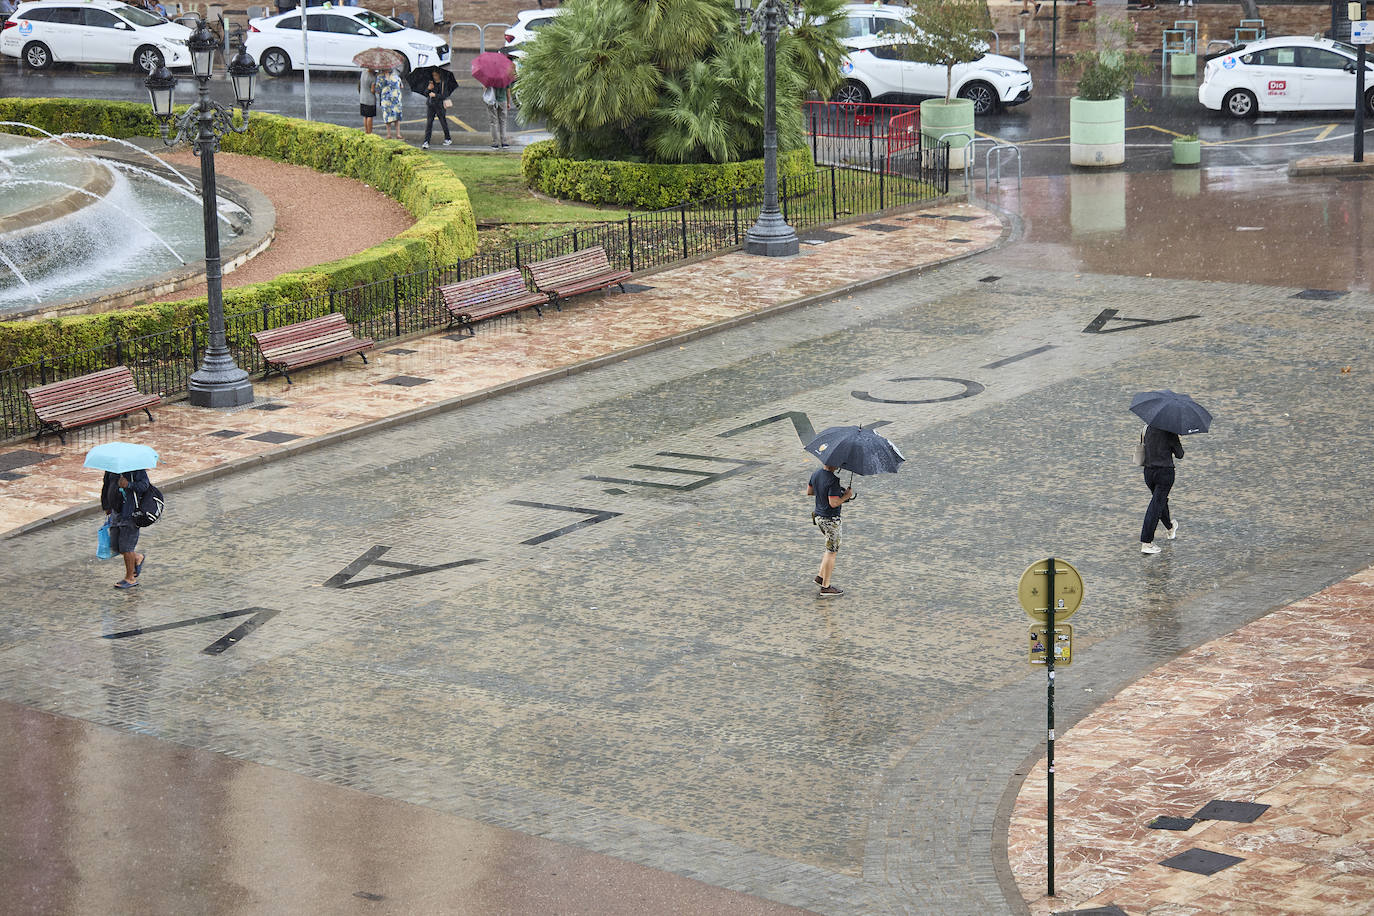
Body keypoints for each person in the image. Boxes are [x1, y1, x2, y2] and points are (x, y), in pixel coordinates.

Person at [807, 463, 853, 597]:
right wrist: (846, 496)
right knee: (832, 551)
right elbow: (833, 503)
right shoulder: (833, 480)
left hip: (819, 517)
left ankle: (820, 576)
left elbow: (810, 492)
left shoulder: (815, 474)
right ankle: (826, 587)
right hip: (830, 520)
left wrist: (823, 491)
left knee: (829, 548)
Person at [101, 469, 150, 589]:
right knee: (115, 546)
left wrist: (129, 485)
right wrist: (106, 505)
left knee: (127, 548)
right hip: (115, 513)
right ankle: (137, 557)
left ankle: (130, 578)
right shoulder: (111, 469)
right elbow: (106, 485)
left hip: (130, 513)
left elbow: (144, 485)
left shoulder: (136, 469)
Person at [1139, 424, 1184, 554]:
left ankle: (1170, 528)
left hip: (1148, 473)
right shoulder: (1170, 431)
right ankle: (1146, 542)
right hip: (1165, 474)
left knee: (1159, 502)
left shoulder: (1146, 428)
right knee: (1155, 506)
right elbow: (1180, 454)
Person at [420, 70, 452, 149]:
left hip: (440, 106)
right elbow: (425, 93)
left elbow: (444, 95)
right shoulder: (431, 83)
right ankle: (426, 141)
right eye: (433, 75)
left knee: (443, 122)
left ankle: (448, 138)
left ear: (439, 75)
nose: (435, 77)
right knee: (429, 123)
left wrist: (435, 95)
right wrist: (428, 89)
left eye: (436, 75)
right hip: (431, 105)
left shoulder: (443, 84)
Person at [377, 66, 404, 140]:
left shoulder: (395, 76)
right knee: (387, 116)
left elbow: (401, 86)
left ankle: (398, 134)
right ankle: (389, 134)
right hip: (386, 100)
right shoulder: (380, 77)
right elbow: (377, 89)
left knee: (397, 117)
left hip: (396, 99)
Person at [484, 83, 510, 149]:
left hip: (491, 101)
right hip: (503, 101)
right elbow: (508, 91)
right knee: (503, 122)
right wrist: (508, 102)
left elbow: (485, 89)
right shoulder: (505, 77)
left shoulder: (489, 78)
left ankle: (495, 143)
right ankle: (504, 142)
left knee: (493, 123)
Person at [359, 68, 378, 135]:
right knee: (370, 116)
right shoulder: (373, 78)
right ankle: (369, 132)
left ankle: (366, 131)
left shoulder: (363, 72)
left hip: (362, 98)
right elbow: (372, 90)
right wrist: (377, 90)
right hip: (370, 99)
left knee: (365, 116)